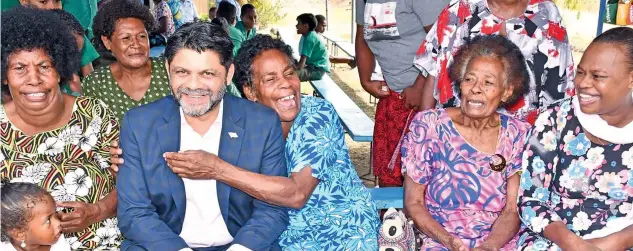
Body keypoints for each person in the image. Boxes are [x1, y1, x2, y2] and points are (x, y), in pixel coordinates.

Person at [174, 34, 380, 250]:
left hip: (342, 236)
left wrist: (217, 169)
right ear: (250, 91)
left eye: (289, 73)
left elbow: (297, 194)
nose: (287, 85)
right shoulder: (244, 126)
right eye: (271, 79)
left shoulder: (316, 115)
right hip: (281, 240)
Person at [117, 22, 289, 251]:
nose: (193, 86)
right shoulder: (139, 124)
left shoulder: (261, 122)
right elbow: (134, 213)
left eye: (207, 73)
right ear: (168, 69)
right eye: (182, 72)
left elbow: (272, 209)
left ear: (229, 74)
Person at [0, 7, 120, 249]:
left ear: (60, 71)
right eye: (19, 68)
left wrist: (97, 211)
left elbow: (132, 181)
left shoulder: (94, 114)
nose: (34, 79)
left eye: (45, 66)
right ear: (4, 76)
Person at [402, 35, 531, 251]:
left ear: (507, 92)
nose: (475, 89)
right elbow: (413, 203)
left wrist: (488, 247)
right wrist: (449, 242)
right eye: (469, 79)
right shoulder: (429, 125)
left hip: (499, 241)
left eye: (488, 82)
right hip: (437, 237)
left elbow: (512, 210)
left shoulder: (518, 134)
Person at [517, 27, 633, 251]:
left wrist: (613, 243)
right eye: (580, 73)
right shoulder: (555, 120)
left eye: (597, 76)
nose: (582, 84)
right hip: (554, 239)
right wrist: (572, 244)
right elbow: (530, 200)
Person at [415, 0, 575, 124]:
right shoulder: (460, 9)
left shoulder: (546, 13)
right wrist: (424, 130)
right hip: (456, 136)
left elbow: (561, 88)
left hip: (522, 142)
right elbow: (433, 74)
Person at [355, 0, 448, 187]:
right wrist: (365, 80)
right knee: (389, 175)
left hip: (430, 101)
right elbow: (362, 37)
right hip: (394, 99)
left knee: (422, 176)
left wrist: (420, 86)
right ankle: (392, 216)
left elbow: (446, 40)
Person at [83, 0, 171, 122]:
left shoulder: (169, 70)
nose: (136, 44)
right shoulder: (96, 83)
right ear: (107, 42)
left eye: (141, 36)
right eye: (126, 38)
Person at [17, 0, 100, 96]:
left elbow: (89, 75)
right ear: (24, 1)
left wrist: (81, 98)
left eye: (57, 1)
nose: (53, 7)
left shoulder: (71, 32)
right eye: (43, 2)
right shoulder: (15, 40)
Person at [1, 182, 71, 251]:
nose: (58, 222)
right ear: (20, 233)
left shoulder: (60, 245)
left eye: (55, 213)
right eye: (48, 220)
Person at [51, 9, 87, 96]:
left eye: (77, 55)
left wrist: (78, 93)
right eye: (69, 54)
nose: (72, 61)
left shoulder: (72, 83)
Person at [295, 13, 330, 81]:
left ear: (305, 26)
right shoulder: (310, 36)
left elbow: (301, 64)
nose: (296, 26)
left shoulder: (310, 38)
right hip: (313, 68)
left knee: (289, 75)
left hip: (317, 71)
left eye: (298, 23)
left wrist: (291, 70)